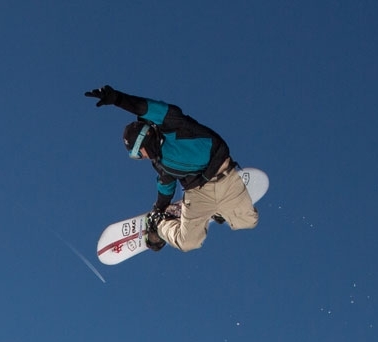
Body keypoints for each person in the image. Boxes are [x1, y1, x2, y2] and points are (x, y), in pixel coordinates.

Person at [85, 85, 257, 254]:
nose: (141, 158)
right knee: (188, 243)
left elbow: (144, 107)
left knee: (249, 222)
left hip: (224, 175)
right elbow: (166, 186)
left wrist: (117, 98)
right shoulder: (160, 163)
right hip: (198, 192)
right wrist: (159, 209)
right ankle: (162, 223)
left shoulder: (170, 124)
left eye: (138, 154)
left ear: (142, 140)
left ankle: (217, 210)